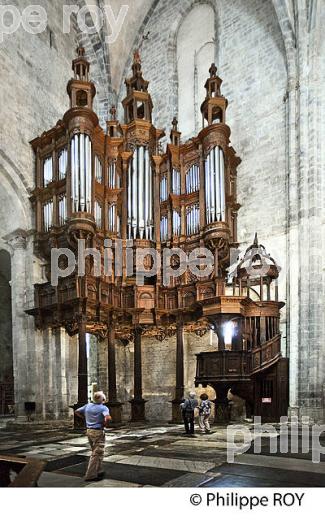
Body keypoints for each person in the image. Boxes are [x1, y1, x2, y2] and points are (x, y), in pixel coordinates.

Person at [75, 391, 112, 482]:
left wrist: (85, 417)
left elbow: (76, 411)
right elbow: (107, 418)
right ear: (102, 399)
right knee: (96, 453)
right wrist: (105, 424)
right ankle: (90, 475)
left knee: (97, 451)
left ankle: (98, 470)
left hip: (89, 431)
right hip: (98, 431)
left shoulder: (88, 406)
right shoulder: (103, 408)